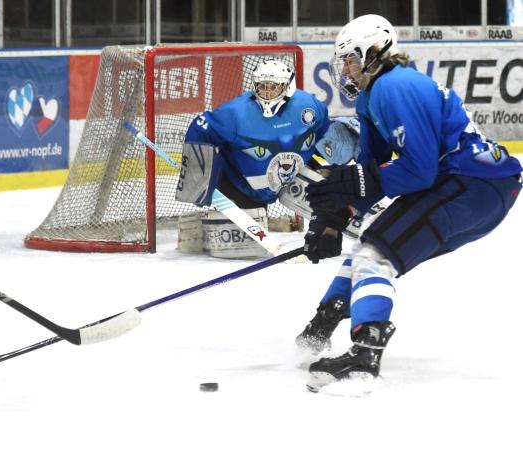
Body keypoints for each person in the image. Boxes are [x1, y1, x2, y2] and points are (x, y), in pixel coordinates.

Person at [295, 14, 522, 391]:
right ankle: (324, 322)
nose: (345, 69)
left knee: (375, 256)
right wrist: (335, 217)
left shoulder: (395, 86)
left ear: (373, 53)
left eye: (350, 59)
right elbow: (370, 173)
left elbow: (418, 170)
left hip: (472, 183)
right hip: (473, 186)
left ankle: (365, 354)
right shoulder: (371, 97)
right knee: (371, 247)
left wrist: (354, 183)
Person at [179, 58, 351, 259]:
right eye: (262, 86)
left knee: (331, 225)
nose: (267, 92)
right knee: (246, 251)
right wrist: (196, 174)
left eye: (273, 87)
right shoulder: (235, 113)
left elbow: (322, 133)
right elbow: (199, 128)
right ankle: (197, 226)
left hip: (292, 177)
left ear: (288, 87)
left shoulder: (310, 107)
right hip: (241, 184)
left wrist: (318, 168)